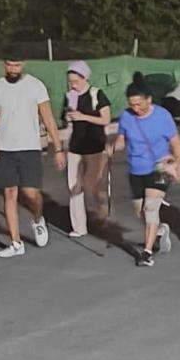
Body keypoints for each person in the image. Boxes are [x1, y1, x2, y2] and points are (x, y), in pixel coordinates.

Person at [0, 55, 64, 259]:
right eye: (10, 64)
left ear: (23, 65)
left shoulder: (36, 86)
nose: (13, 68)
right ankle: (16, 243)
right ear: (4, 64)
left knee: (31, 194)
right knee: (9, 195)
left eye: (17, 65)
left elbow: (48, 118)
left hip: (29, 149)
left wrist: (59, 148)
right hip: (4, 150)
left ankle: (37, 219)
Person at [115, 81, 180, 267]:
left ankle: (146, 252)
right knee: (140, 212)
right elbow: (121, 139)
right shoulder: (126, 117)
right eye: (132, 104)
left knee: (151, 208)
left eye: (139, 104)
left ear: (149, 99)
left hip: (160, 166)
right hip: (136, 168)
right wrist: (113, 146)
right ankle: (160, 230)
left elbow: (176, 143)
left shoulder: (163, 116)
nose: (136, 108)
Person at [62, 60, 113, 239]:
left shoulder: (96, 94)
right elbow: (66, 120)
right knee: (74, 187)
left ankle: (103, 216)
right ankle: (79, 227)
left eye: (76, 81)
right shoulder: (69, 96)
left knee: (93, 186)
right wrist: (69, 117)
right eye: (70, 81)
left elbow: (106, 119)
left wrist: (83, 116)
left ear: (85, 78)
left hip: (95, 147)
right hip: (75, 147)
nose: (73, 85)